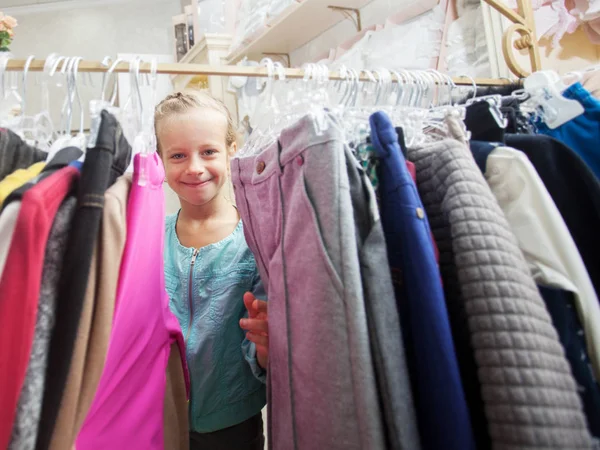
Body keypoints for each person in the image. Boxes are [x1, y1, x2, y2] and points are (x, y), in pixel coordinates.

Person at [155, 90, 269, 450]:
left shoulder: (257, 237)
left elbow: (263, 352)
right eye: (177, 155)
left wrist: (267, 346)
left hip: (233, 427)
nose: (194, 167)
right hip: (158, 417)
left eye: (208, 151)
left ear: (232, 149)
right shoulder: (148, 238)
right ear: (159, 159)